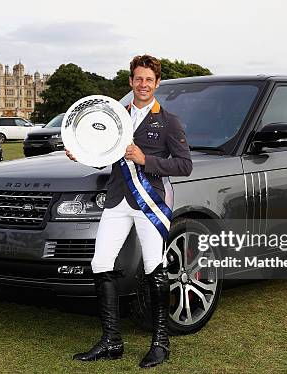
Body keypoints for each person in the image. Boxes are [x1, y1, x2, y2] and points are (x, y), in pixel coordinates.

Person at [66, 55, 192, 368]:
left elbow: (184, 165)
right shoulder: (114, 115)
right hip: (117, 199)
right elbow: (102, 155)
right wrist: (79, 155)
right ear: (131, 81)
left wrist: (145, 160)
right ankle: (111, 341)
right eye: (138, 79)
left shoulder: (169, 121)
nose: (143, 84)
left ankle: (160, 343)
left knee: (154, 267)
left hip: (150, 202)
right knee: (101, 263)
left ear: (157, 83)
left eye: (149, 79)